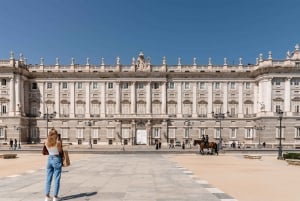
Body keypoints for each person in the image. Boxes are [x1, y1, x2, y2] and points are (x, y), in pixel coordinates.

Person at [44, 128, 63, 201]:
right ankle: (55, 196)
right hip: (56, 158)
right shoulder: (58, 142)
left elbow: (46, 149)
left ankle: (47, 196)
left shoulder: (46, 141)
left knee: (48, 178)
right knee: (57, 178)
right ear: (56, 135)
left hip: (49, 159)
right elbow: (60, 151)